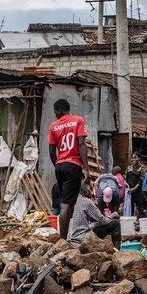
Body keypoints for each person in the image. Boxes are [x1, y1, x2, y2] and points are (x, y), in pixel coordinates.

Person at [47, 98, 87, 239]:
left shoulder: (53, 126)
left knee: (67, 203)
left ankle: (65, 236)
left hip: (60, 164)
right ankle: (63, 240)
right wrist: (86, 168)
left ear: (60, 110)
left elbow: (52, 152)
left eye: (55, 112)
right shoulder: (78, 120)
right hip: (73, 164)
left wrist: (58, 165)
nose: (55, 115)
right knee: (67, 206)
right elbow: (81, 144)